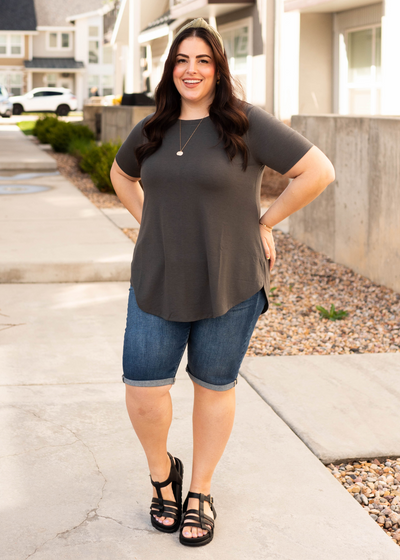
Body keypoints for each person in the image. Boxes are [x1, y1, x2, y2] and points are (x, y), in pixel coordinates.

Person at [110, 18, 335, 547]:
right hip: (157, 277)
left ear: (218, 68)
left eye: (203, 60)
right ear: (171, 69)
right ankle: (163, 475)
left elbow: (317, 170)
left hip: (230, 279)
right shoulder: (154, 128)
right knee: (143, 388)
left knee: (214, 387)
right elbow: (122, 176)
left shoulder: (246, 123)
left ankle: (201, 492)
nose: (192, 70)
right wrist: (152, 223)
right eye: (182, 60)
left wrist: (264, 222)